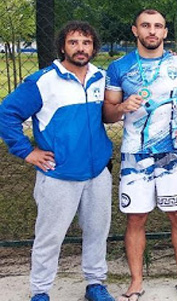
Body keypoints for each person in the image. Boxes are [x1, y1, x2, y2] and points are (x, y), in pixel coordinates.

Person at [0, 22, 115, 301]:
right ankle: (40, 290)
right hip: (58, 173)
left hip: (97, 171)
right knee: (50, 237)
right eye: (74, 42)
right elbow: (7, 113)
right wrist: (27, 151)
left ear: (93, 47)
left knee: (98, 232)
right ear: (63, 46)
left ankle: (95, 283)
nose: (80, 48)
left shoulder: (101, 78)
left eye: (86, 43)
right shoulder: (43, 81)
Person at [102, 9, 177, 301]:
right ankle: (135, 282)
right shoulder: (119, 67)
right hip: (135, 156)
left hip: (173, 155)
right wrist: (122, 108)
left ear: (166, 32)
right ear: (135, 30)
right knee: (136, 219)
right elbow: (107, 114)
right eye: (146, 26)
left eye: (158, 26)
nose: (152, 31)